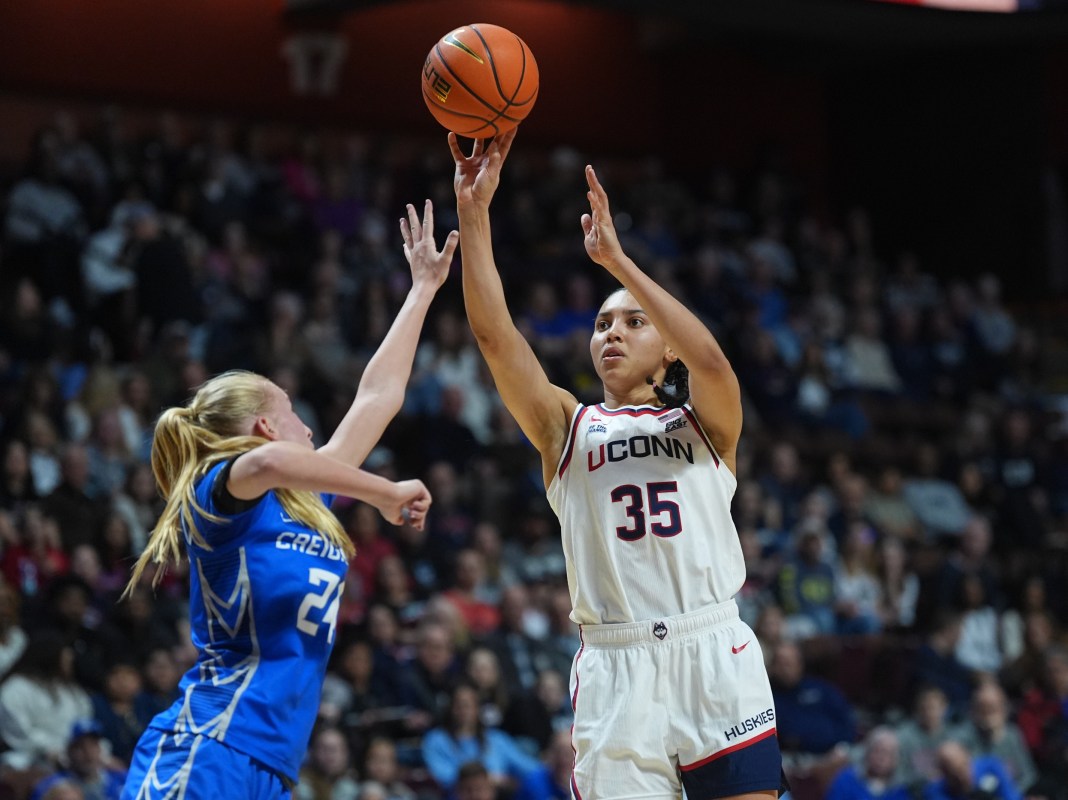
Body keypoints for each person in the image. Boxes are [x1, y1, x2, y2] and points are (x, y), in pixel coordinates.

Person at [449, 127, 784, 799]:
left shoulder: (704, 424)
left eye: (633, 323)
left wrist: (620, 266)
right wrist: (473, 212)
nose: (612, 333)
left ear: (666, 350)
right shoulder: (566, 427)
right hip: (615, 665)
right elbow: (494, 338)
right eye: (603, 323)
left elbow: (712, 361)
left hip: (712, 648)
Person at [120, 199, 457, 799]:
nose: (309, 427)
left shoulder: (308, 495)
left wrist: (423, 290)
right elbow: (271, 463)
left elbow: (377, 396)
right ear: (266, 427)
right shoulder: (219, 494)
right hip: (208, 746)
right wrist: (384, 493)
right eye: (294, 413)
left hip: (273, 766)